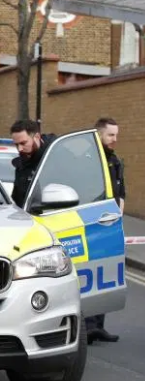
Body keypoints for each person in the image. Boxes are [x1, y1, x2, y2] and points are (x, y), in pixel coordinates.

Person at [87, 117, 124, 344]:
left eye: (116, 135)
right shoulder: (90, 162)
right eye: (111, 135)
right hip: (93, 224)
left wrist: (119, 219)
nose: (114, 140)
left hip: (111, 224)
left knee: (107, 275)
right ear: (99, 134)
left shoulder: (114, 160)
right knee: (92, 274)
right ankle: (89, 326)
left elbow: (121, 191)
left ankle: (99, 325)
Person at [9, 119, 57, 208]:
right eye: (16, 145)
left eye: (23, 143)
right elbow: (17, 201)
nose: (19, 149)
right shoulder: (22, 166)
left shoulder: (56, 156)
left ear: (37, 137)